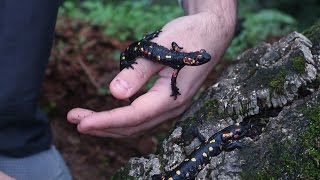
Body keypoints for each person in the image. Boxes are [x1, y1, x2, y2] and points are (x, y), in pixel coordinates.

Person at [0, 0, 237, 179]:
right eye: (199, 59)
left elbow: (176, 60)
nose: (199, 60)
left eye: (199, 59)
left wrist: (216, 16)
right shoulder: (178, 63)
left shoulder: (179, 62)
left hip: (22, 135)